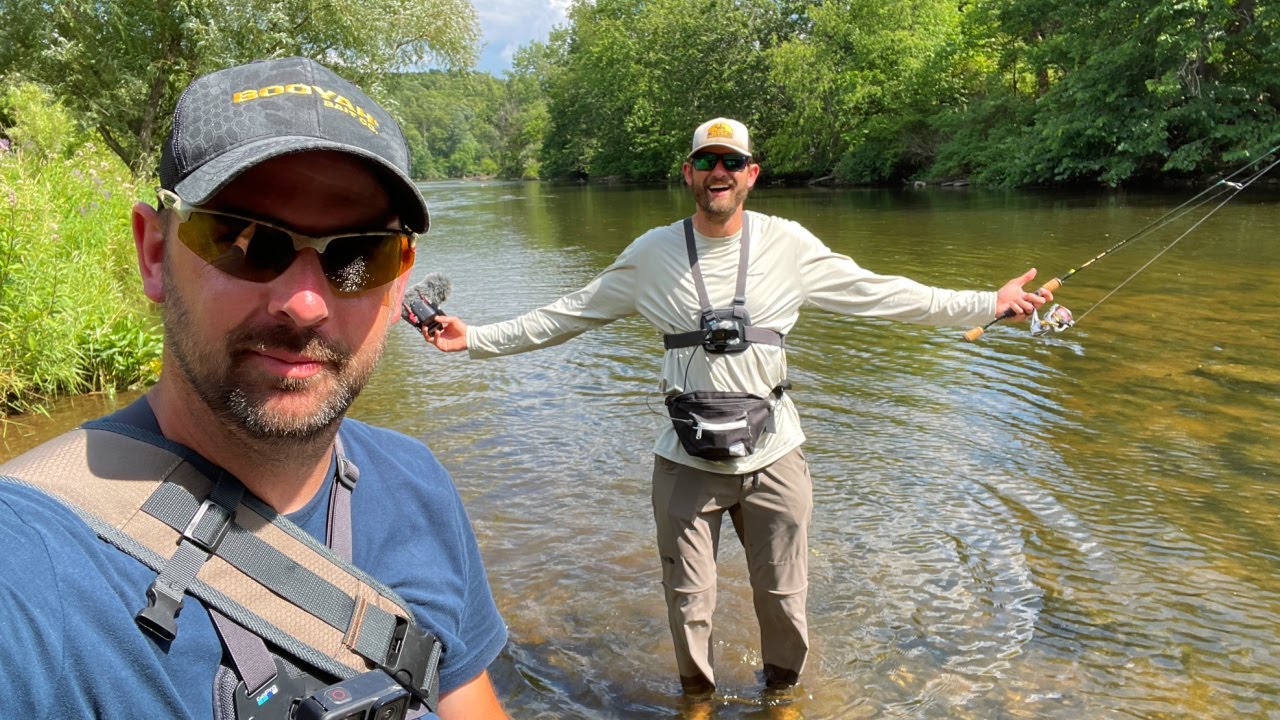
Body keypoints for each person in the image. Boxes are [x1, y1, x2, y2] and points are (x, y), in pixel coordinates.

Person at [423, 117, 1050, 698]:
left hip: (776, 457)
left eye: (731, 162)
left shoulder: (789, 245)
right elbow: (567, 314)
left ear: (751, 173)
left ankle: (783, 697)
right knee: (688, 602)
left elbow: (883, 294)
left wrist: (984, 304)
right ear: (688, 173)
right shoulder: (651, 253)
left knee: (784, 599)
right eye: (706, 161)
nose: (718, 172)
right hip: (686, 462)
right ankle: (696, 701)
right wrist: (474, 338)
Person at [0, 57, 508, 719]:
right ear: (154, 254)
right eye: (246, 240)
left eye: (359, 256)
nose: (305, 304)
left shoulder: (419, 486)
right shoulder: (32, 563)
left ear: (399, 282)